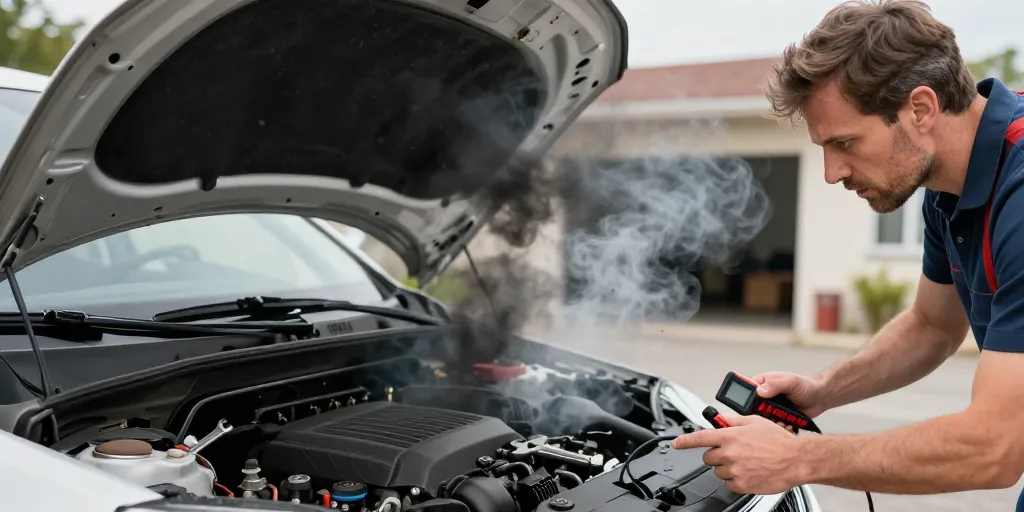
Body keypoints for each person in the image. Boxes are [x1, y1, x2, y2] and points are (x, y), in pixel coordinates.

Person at [670, 0, 1024, 506]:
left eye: (846, 143)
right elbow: (932, 325)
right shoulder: (949, 186)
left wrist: (798, 459)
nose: (831, 173)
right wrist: (823, 389)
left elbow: (995, 447)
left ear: (921, 109)